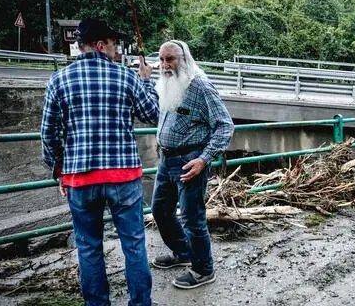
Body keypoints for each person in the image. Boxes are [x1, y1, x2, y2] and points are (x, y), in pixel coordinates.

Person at [41, 18, 159, 306]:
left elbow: (49, 133)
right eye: (114, 44)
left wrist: (59, 169)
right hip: (123, 178)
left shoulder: (59, 79)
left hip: (80, 178)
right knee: (133, 244)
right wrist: (147, 80)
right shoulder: (126, 77)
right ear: (100, 44)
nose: (117, 50)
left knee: (89, 247)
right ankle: (140, 303)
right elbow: (154, 114)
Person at [150, 40, 233, 289]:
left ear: (183, 59)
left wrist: (204, 159)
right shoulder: (168, 84)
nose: (165, 65)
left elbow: (224, 125)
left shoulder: (199, 85)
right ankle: (183, 252)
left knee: (191, 218)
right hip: (167, 159)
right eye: (162, 60)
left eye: (171, 59)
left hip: (190, 161)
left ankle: (203, 269)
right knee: (160, 211)